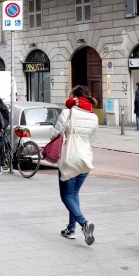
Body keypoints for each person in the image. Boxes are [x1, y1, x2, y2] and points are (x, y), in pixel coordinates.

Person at [53, 85, 99, 244]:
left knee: (66, 196)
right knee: (74, 194)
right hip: (86, 159)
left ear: (75, 97)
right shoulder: (94, 116)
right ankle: (70, 229)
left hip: (69, 159)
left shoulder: (67, 112)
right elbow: (92, 137)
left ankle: (84, 223)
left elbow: (55, 133)